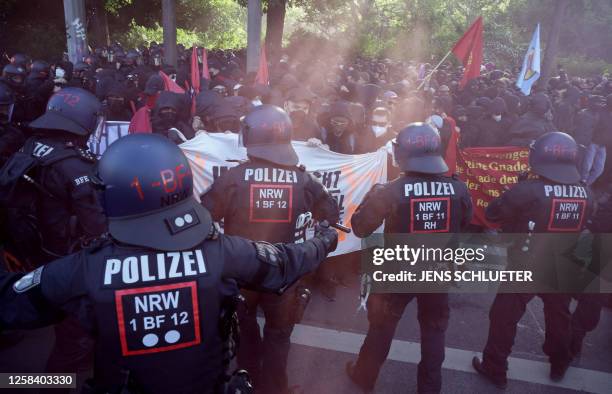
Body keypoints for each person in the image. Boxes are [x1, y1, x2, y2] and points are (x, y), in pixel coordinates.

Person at [0, 133, 339, 394]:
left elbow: (10, 303)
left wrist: (19, 380)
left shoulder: (85, 269)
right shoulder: (223, 253)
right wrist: (323, 241)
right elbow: (286, 262)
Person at [201, 104, 340, 394]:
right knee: (279, 338)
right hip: (286, 275)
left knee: (246, 336)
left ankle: (249, 385)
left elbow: (204, 219)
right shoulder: (304, 179)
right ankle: (276, 388)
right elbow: (330, 215)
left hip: (243, 275)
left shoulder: (233, 178)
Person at [347, 123, 473, 394]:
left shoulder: (390, 190)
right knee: (434, 330)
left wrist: (372, 196)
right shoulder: (458, 189)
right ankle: (429, 389)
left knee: (381, 327)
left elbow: (360, 227)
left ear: (401, 153)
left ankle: (364, 377)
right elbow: (465, 221)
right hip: (438, 270)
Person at [473, 132, 593, 388]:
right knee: (558, 315)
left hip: (525, 263)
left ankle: (495, 368)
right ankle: (560, 362)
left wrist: (518, 189)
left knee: (504, 316)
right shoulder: (586, 193)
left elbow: (493, 213)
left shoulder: (528, 190)